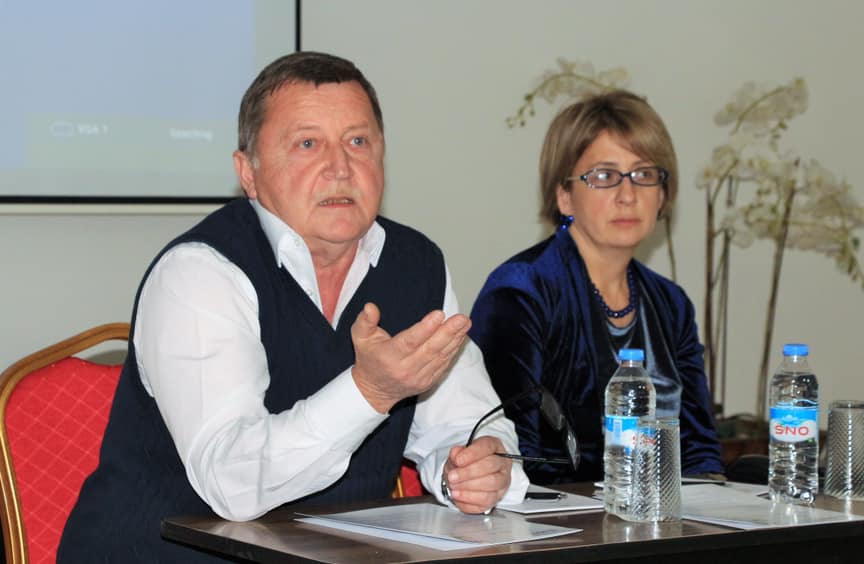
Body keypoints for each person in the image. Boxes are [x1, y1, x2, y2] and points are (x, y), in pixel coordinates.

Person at [59, 51, 527, 561]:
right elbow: (232, 485)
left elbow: (467, 422)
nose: (340, 168)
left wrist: (476, 467)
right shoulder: (199, 271)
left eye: (358, 142)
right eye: (308, 144)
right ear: (249, 173)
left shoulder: (417, 265)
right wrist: (370, 391)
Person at [469, 90, 724, 485]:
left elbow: (699, 451)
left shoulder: (671, 304)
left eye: (644, 174)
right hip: (555, 517)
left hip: (667, 514)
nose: (628, 195)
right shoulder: (521, 292)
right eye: (604, 176)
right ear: (564, 196)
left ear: (662, 194)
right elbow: (512, 454)